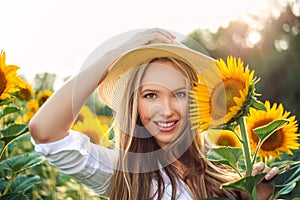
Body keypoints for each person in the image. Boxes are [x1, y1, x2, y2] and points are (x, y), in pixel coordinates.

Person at [29, 28, 279, 200]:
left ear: (195, 99)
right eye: (150, 95)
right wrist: (117, 54)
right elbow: (46, 133)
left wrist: (254, 192)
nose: (167, 110)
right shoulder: (123, 173)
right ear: (134, 105)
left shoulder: (224, 168)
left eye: (179, 94)